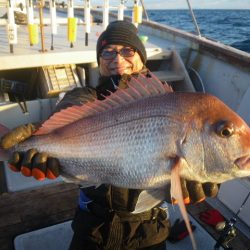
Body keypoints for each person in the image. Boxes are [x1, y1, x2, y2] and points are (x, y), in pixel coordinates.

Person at [1, 21, 219, 250]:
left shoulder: (167, 103)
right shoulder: (85, 96)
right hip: (93, 228)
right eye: (108, 52)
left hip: (149, 230)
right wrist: (39, 132)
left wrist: (207, 167)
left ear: (141, 58)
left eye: (127, 50)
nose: (117, 58)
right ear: (99, 61)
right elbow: (70, 111)